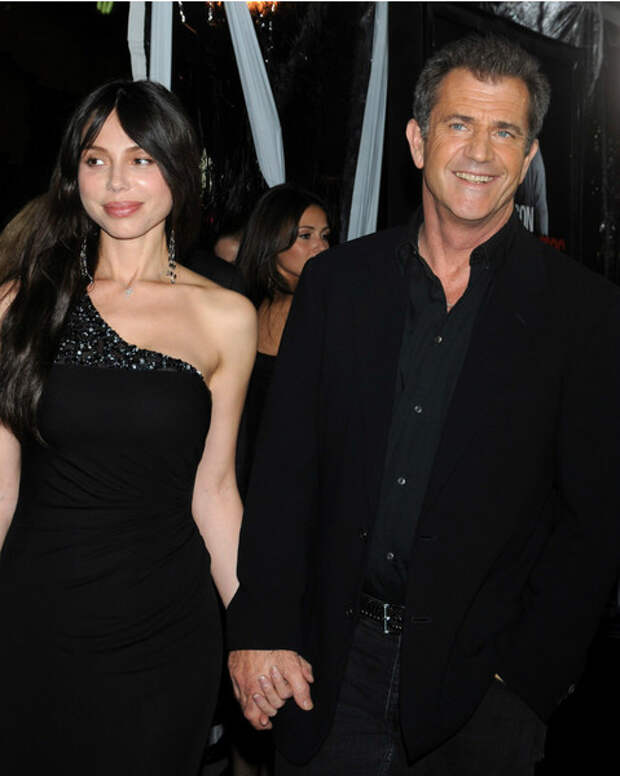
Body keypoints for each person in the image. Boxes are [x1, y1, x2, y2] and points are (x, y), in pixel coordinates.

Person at [226, 34, 620, 775]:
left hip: (481, 695)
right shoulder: (337, 285)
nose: (481, 152)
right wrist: (261, 627)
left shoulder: (585, 314)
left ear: (529, 158)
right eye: (459, 124)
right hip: (324, 669)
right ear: (416, 140)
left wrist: (524, 685)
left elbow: (592, 523)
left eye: (505, 132)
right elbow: (284, 475)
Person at [0, 79, 256, 775]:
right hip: (34, 622)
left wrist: (258, 630)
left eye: (141, 159)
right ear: (73, 174)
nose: (117, 181)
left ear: (180, 168)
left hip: (163, 638)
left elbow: (215, 492)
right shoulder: (22, 304)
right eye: (96, 159)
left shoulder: (225, 317)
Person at [235, 183, 330, 497]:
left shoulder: (324, 309)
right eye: (305, 236)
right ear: (272, 239)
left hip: (292, 477)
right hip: (255, 473)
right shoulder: (245, 307)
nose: (321, 246)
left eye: (325, 235)